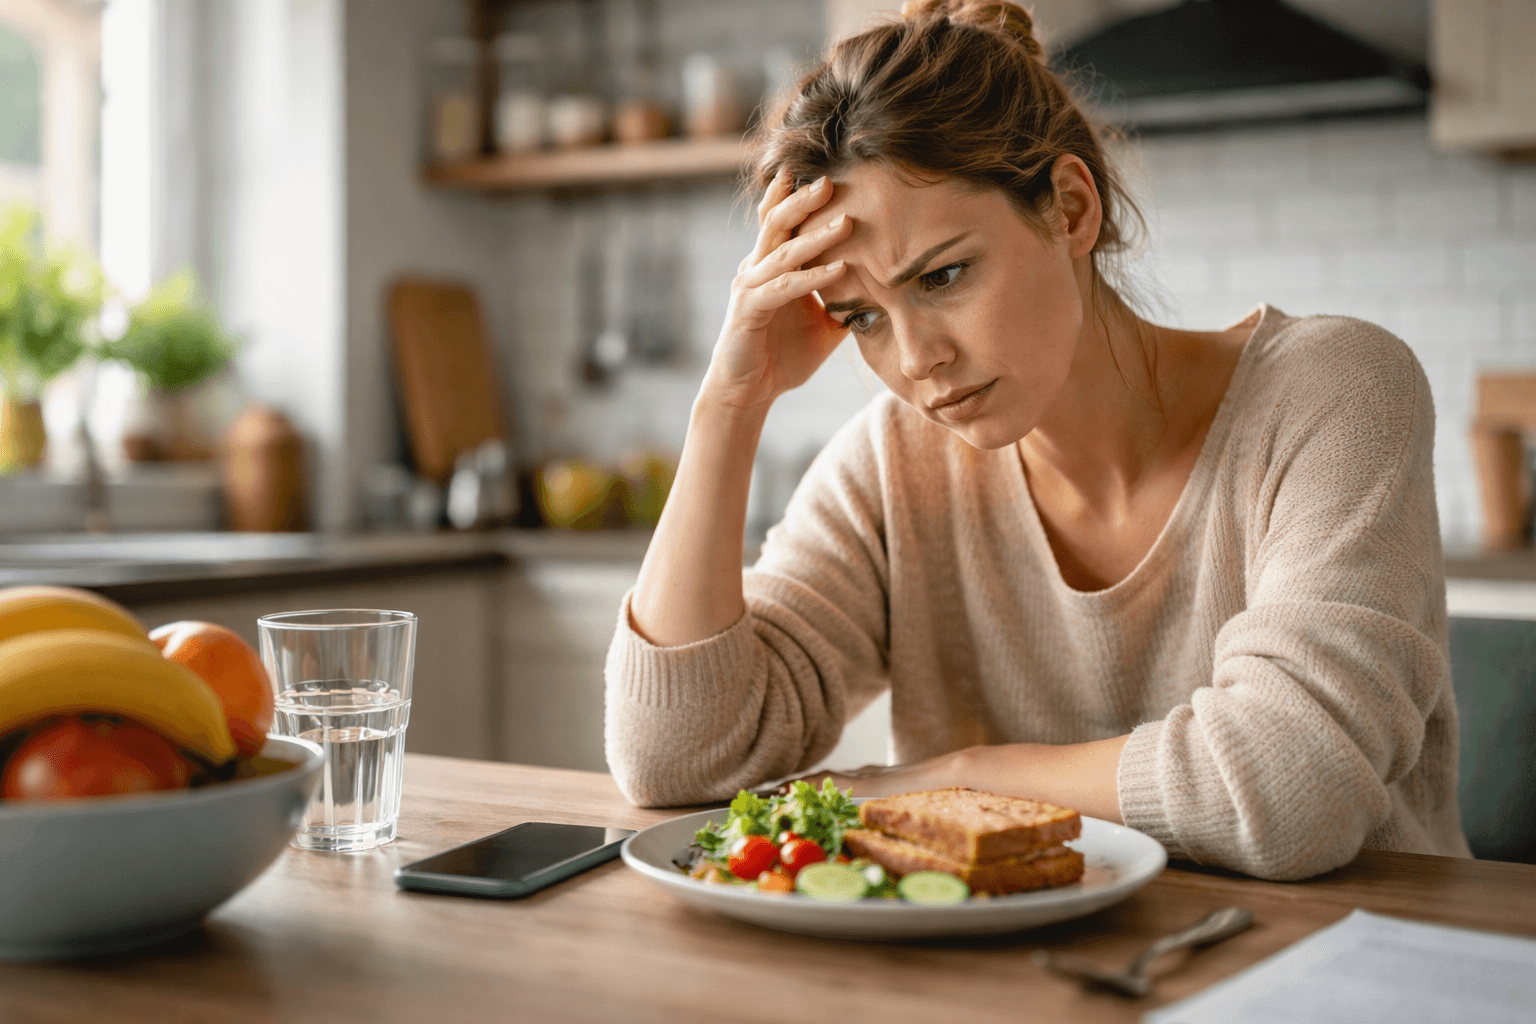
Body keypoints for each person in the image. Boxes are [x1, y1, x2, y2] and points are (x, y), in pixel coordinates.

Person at [603, 0, 1470, 881]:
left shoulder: (1334, 390)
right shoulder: (894, 464)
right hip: (1027, 961)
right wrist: (730, 403)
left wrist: (956, 776)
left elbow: (1291, 789)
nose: (917, 360)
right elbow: (675, 761)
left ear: (1070, 209)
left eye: (943, 275)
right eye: (862, 317)